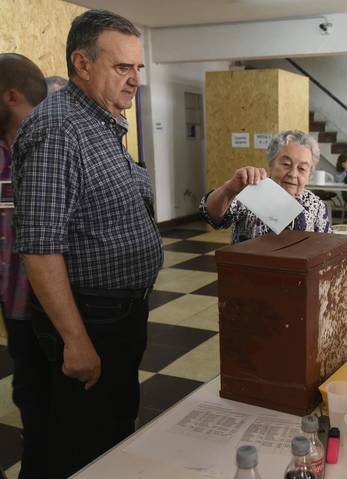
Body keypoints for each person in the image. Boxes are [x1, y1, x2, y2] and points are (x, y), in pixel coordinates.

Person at [12, 10, 163, 477]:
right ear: (82, 63)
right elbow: (40, 247)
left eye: (139, 68)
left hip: (119, 314)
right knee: (83, 447)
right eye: (123, 67)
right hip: (90, 317)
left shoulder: (102, 121)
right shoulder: (59, 130)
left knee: (110, 428)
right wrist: (75, 341)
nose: (135, 79)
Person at [0, 53, 50, 479]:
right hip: (16, 303)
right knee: (29, 391)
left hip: (64, 303)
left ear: (10, 96)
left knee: (69, 399)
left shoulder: (53, 146)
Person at [200, 130, 331, 243]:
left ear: (310, 173)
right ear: (271, 163)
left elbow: (325, 247)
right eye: (286, 164)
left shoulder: (315, 205)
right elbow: (212, 216)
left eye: (302, 168)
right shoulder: (252, 190)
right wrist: (229, 189)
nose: (293, 174)